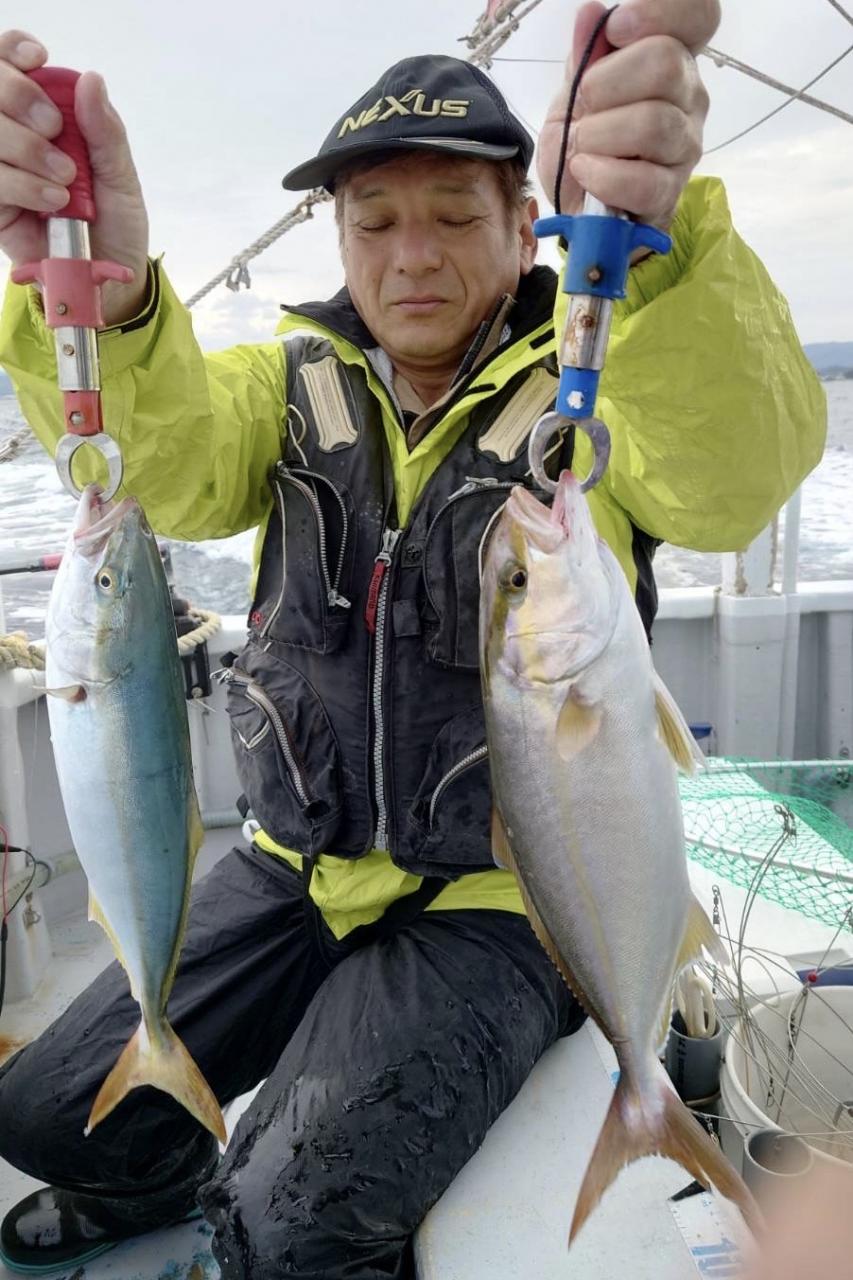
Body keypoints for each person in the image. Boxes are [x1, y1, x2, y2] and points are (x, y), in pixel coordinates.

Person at [0, 2, 826, 1277]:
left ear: (523, 219)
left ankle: (349, 1167)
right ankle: (176, 1159)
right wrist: (104, 308)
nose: (412, 256)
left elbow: (729, 476)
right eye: (375, 221)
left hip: (502, 900)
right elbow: (165, 463)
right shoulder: (286, 383)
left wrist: (657, 258)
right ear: (338, 236)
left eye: (453, 214)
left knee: (289, 1223)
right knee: (43, 1110)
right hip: (294, 866)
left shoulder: (592, 393)